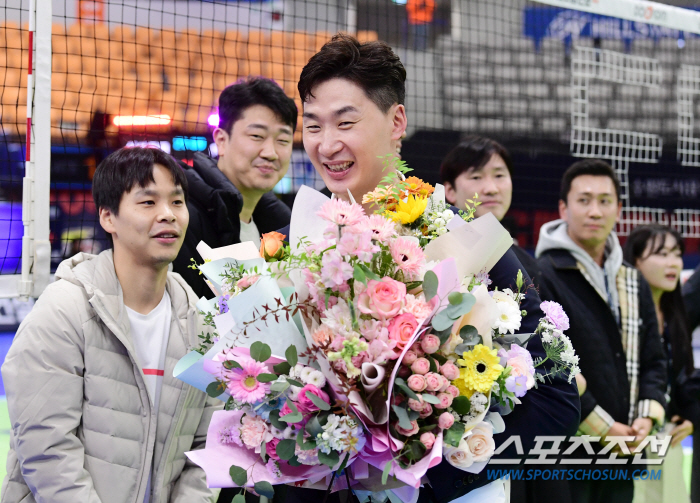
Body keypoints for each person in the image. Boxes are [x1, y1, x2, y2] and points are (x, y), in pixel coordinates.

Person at [280, 33, 579, 503]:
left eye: (346, 122)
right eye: (313, 126)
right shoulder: (297, 251)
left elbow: (557, 402)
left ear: (396, 121)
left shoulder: (467, 244)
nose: (326, 144)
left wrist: (425, 466)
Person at [1, 147, 221, 503]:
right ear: (108, 217)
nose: (168, 215)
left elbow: (208, 445)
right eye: (148, 203)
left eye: (177, 202)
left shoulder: (203, 323)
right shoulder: (64, 310)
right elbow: (47, 448)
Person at [536, 159, 667, 503]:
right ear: (563, 208)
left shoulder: (631, 278)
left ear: (619, 209)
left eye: (605, 201)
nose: (595, 210)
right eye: (584, 200)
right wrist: (603, 427)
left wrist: (647, 418)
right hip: (567, 457)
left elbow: (654, 357)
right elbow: (548, 366)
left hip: (624, 451)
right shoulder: (543, 274)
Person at [172, 76, 297, 299]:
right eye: (257, 136)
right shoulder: (183, 218)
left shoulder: (281, 226)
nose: (270, 152)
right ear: (221, 140)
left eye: (283, 140)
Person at [624, 224, 698, 503]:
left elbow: (680, 378)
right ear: (636, 260)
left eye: (677, 254)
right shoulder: (620, 314)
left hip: (667, 440)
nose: (673, 263)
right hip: (626, 439)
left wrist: (690, 418)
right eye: (662, 254)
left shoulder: (675, 316)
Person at [441, 136, 542, 291]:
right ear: (450, 190)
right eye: (476, 177)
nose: (491, 189)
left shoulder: (531, 266)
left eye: (499, 176)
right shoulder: (432, 252)